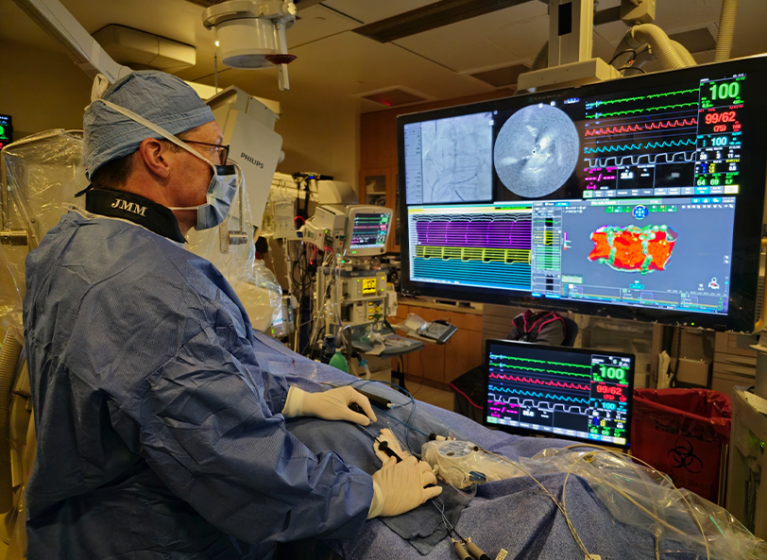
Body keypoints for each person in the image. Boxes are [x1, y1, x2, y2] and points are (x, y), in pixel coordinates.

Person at [23, 71, 441, 559]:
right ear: (157, 155)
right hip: (142, 536)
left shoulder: (69, 244)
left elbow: (163, 383)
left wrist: (293, 399)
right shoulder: (150, 286)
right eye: (215, 152)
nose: (220, 170)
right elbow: (231, 455)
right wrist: (370, 494)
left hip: (76, 523)